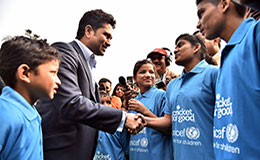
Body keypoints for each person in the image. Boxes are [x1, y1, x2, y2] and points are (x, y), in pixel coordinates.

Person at [36, 9, 144, 160]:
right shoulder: (64, 51)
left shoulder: (87, 63)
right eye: (106, 35)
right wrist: (123, 118)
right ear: (88, 31)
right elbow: (71, 103)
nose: (109, 42)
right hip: (62, 151)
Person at [196, 0, 260, 159]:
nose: (198, 24)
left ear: (224, 4)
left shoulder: (255, 37)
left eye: (201, 13)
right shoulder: (226, 55)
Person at [143, 34, 218, 160]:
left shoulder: (213, 74)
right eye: (175, 46)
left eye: (180, 45)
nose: (175, 50)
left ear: (196, 47)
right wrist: (143, 120)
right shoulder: (172, 85)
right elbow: (168, 121)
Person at [0, 36, 61, 160]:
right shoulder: (5, 114)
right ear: (25, 73)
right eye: (53, 73)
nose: (58, 81)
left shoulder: (31, 112)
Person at [127, 59, 173, 160]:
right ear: (134, 78)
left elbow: (169, 129)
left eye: (151, 72)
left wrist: (144, 111)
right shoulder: (133, 101)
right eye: (143, 72)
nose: (148, 75)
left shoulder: (162, 96)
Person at [94, 91, 129, 160]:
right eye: (101, 102)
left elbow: (127, 149)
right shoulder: (90, 127)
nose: (106, 105)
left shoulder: (119, 125)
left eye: (108, 102)